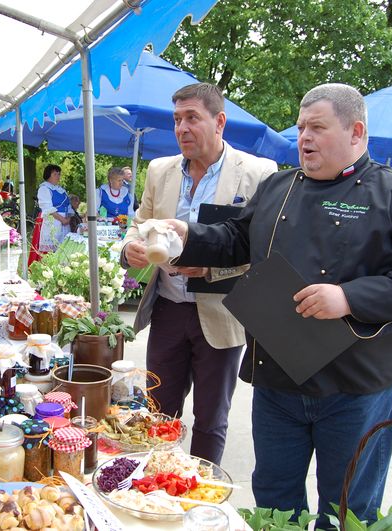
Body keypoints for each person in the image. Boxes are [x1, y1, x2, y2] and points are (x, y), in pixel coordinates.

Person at [165, 83, 392, 526]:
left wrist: (349, 297)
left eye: (317, 128)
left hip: (355, 386)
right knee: (274, 498)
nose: (303, 138)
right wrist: (187, 236)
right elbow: (237, 238)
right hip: (278, 380)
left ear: (356, 131)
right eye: (300, 128)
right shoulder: (278, 186)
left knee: (348, 508)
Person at [122, 83, 277, 465]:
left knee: (210, 420)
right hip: (168, 311)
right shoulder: (159, 170)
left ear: (219, 121)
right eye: (177, 120)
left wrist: (211, 267)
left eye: (192, 118)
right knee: (158, 413)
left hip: (221, 314)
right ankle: (151, 488)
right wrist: (129, 248)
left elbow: (266, 251)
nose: (182, 128)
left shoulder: (258, 173)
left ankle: (198, 500)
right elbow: (138, 224)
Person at [36, 164, 74, 252]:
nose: (58, 176)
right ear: (48, 175)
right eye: (55, 174)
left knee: (64, 250)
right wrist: (62, 220)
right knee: (53, 251)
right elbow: (48, 208)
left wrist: (68, 218)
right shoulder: (44, 189)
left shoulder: (61, 190)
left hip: (65, 224)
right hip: (54, 222)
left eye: (59, 174)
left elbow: (68, 206)